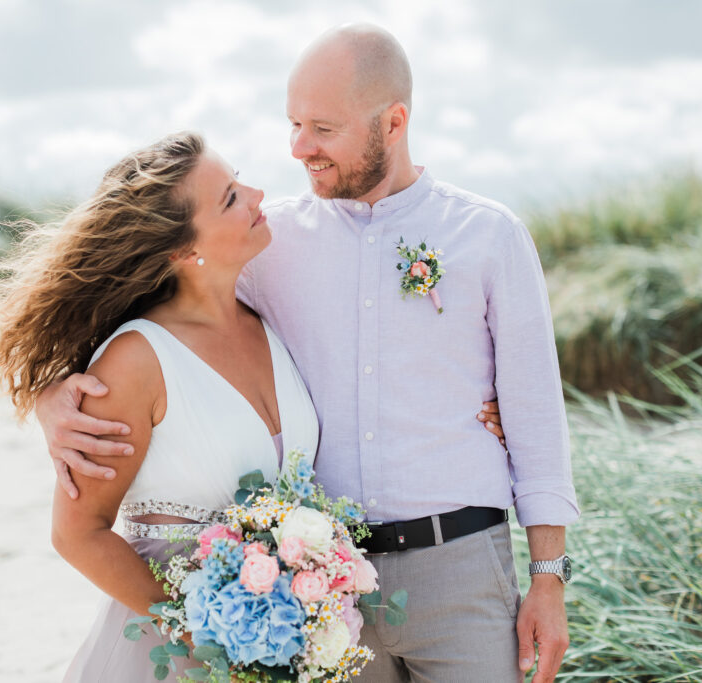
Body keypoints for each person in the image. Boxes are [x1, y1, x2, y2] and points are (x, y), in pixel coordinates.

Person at [37, 24, 579, 683]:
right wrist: (50, 395)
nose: (298, 149)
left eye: (321, 128)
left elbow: (537, 420)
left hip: (461, 566)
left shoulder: (489, 235)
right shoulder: (271, 244)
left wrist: (548, 580)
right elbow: (147, 306)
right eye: (293, 123)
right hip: (321, 593)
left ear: (394, 121)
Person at [0, 131, 506, 681]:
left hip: (277, 636)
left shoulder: (265, 318)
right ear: (182, 250)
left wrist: (479, 408)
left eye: (239, 179)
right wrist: (201, 631)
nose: (257, 195)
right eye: (229, 197)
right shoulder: (135, 360)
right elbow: (78, 532)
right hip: (180, 645)